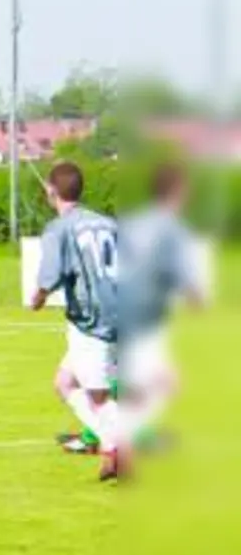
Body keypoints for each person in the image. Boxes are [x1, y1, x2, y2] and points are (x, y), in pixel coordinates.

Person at [63, 163, 204, 457]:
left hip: (115, 311)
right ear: (178, 192)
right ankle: (123, 438)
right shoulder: (170, 226)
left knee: (116, 378)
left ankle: (102, 435)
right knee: (160, 382)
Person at [30, 161, 122, 481]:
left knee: (98, 396)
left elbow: (52, 273)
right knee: (64, 383)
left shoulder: (60, 228)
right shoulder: (107, 223)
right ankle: (112, 446)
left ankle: (121, 446)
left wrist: (39, 296)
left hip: (91, 321)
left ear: (51, 192)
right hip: (120, 313)